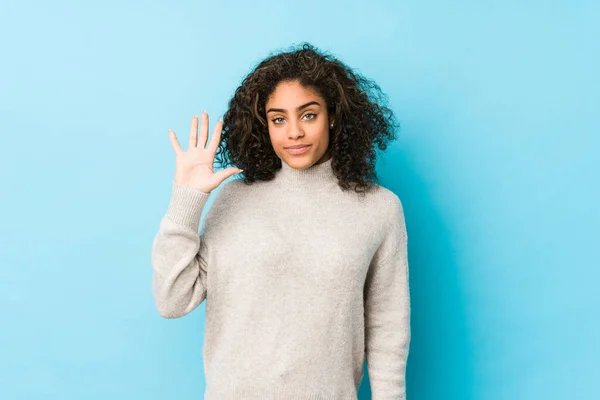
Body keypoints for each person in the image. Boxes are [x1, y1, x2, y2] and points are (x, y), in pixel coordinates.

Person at [151, 42, 411, 399]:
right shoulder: (234, 198)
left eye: (308, 115)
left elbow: (387, 330)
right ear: (265, 125)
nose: (293, 133)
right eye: (278, 119)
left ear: (332, 116)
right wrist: (187, 199)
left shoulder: (380, 209)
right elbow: (172, 300)